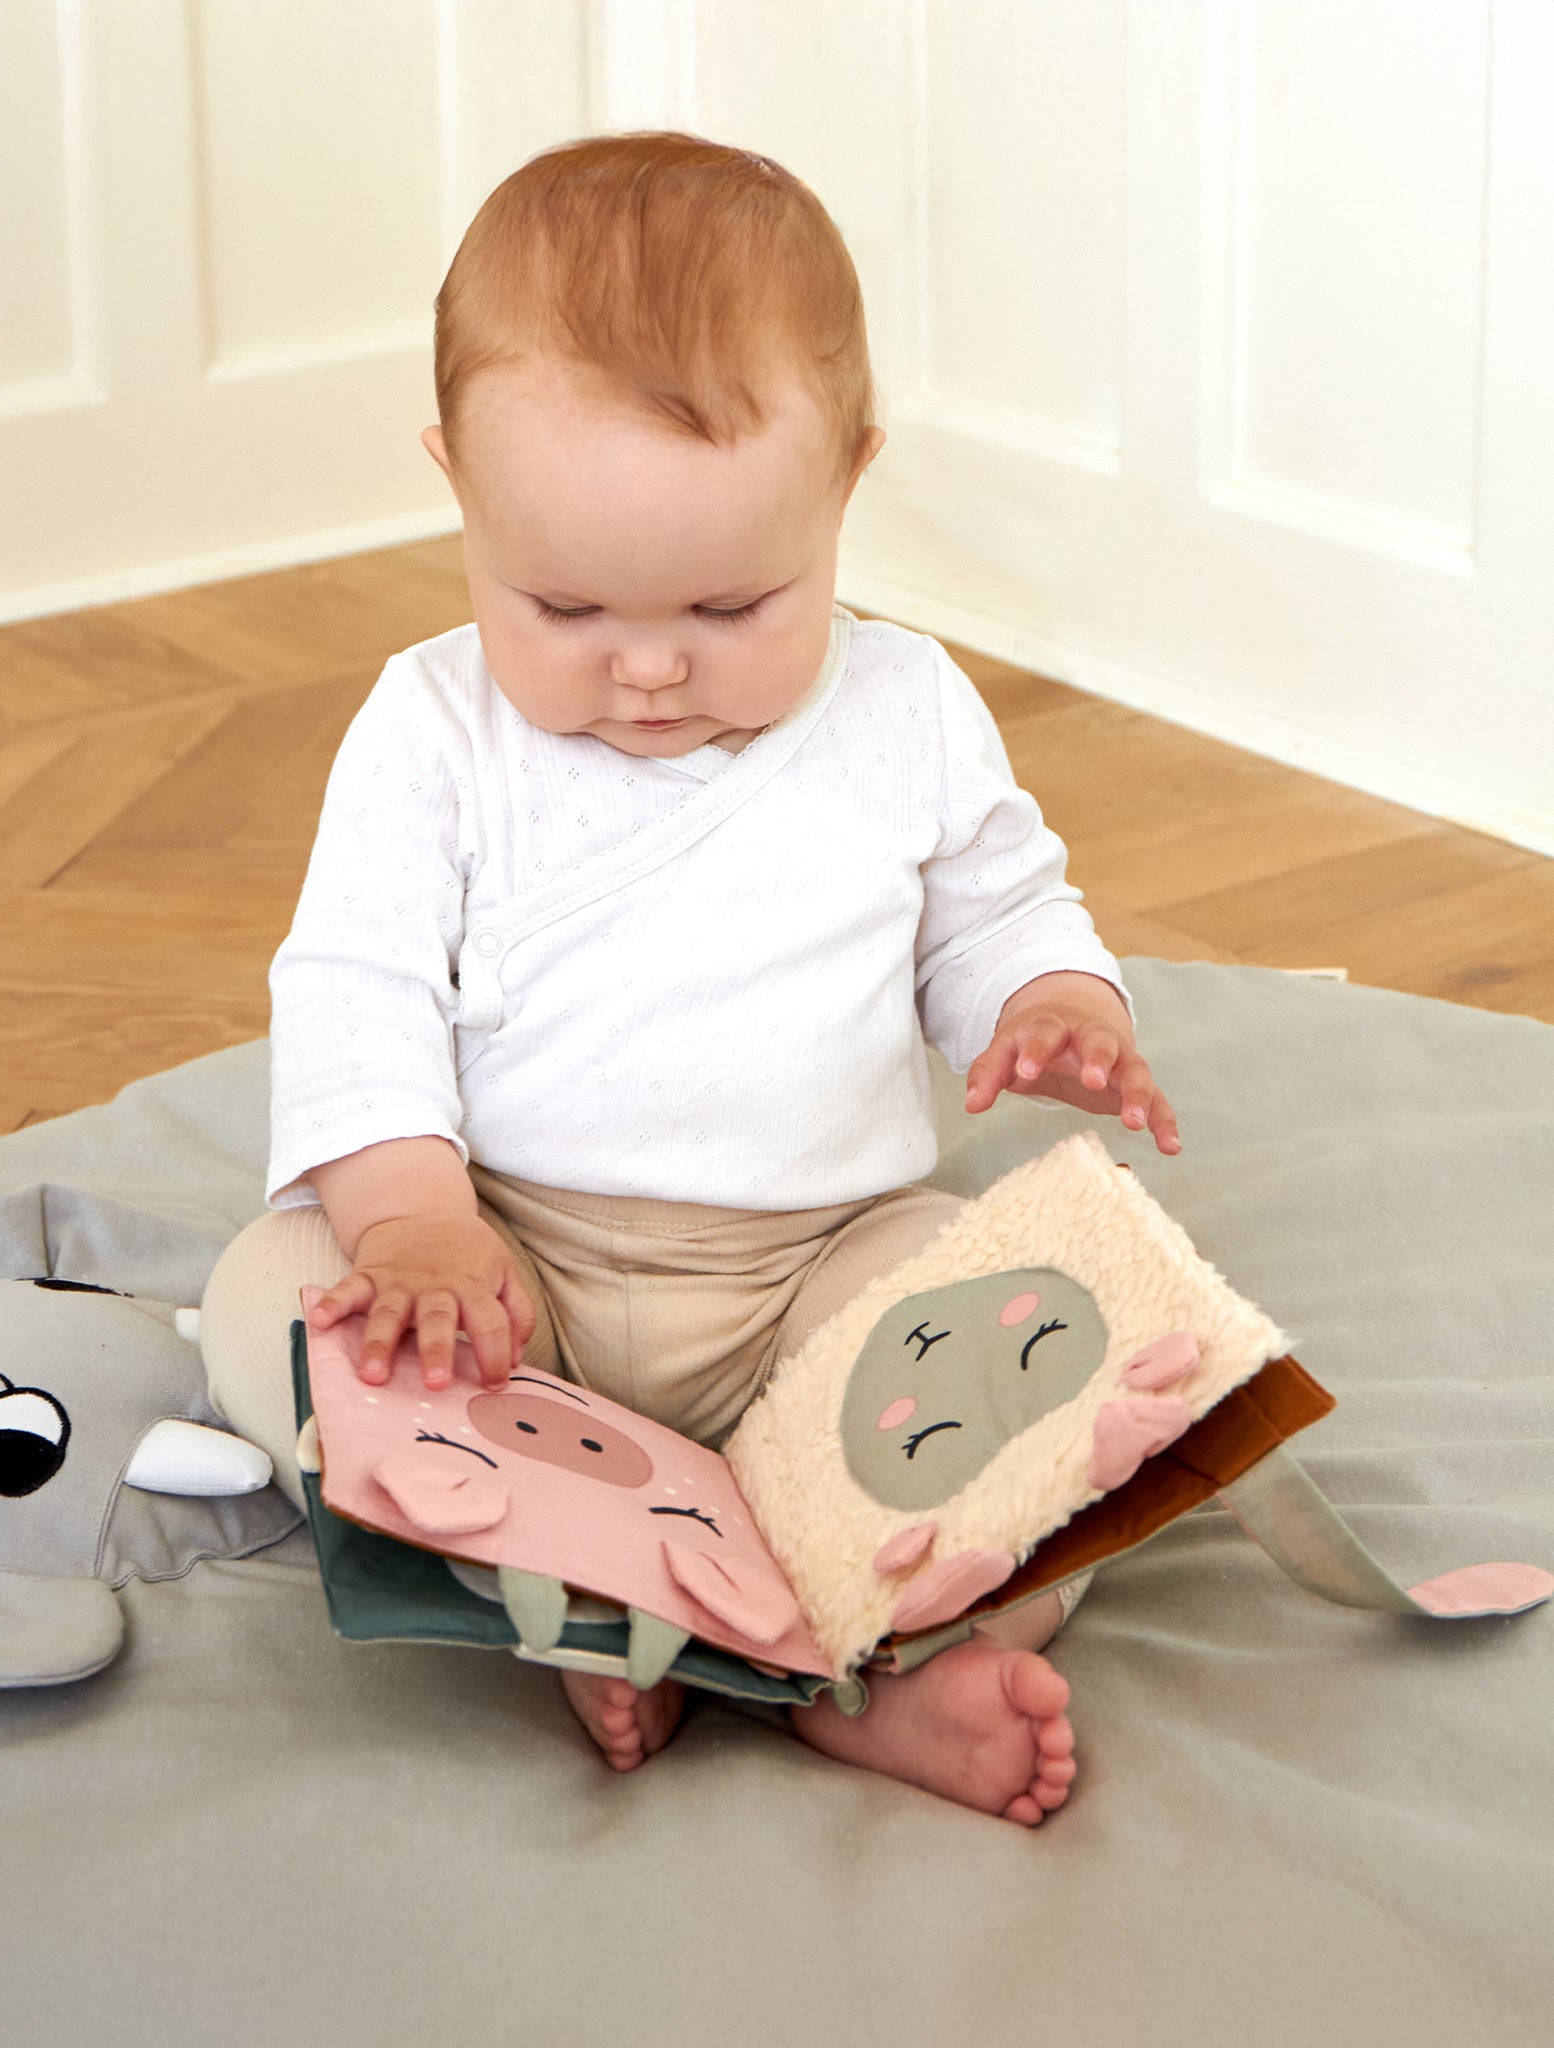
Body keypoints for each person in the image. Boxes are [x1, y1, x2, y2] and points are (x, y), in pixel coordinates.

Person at [203, 132, 1180, 1826]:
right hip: (513, 1276)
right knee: (270, 1309)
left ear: (849, 481)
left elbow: (999, 907)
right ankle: (600, 1579)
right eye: (562, 602)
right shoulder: (428, 732)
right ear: (456, 485)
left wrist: (1051, 1001)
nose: (648, 669)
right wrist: (413, 1223)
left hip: (816, 1263)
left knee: (1063, 1368)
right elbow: (353, 990)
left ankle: (844, 1670)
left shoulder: (910, 711)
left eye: (734, 603)